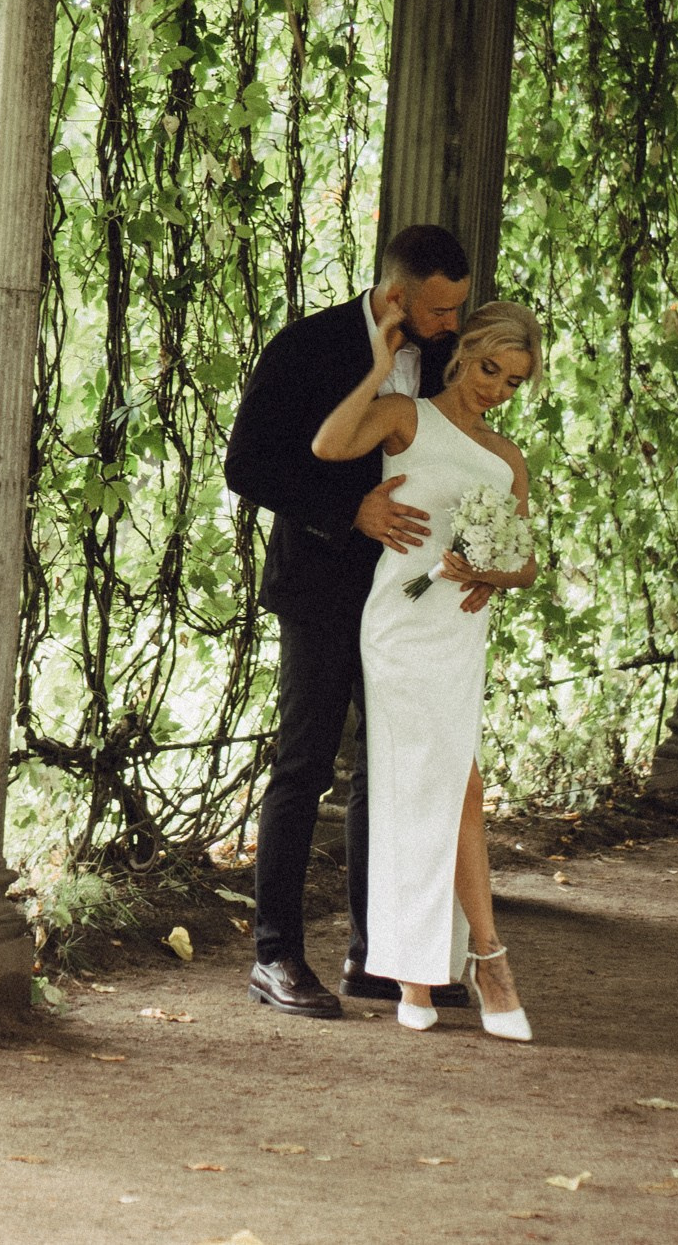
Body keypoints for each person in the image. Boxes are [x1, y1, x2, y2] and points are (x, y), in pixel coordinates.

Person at [222, 225, 480, 1018]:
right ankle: (275, 955)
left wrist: (479, 553)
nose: (452, 325)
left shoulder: (445, 355)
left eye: (458, 309)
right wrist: (349, 510)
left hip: (410, 595)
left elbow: (462, 454)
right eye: (440, 310)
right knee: (303, 764)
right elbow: (247, 463)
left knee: (392, 769)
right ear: (396, 295)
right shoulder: (306, 345)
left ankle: (379, 954)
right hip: (321, 586)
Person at [310, 299, 542, 1041]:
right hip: (400, 626)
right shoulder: (404, 416)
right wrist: (378, 368)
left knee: (450, 787)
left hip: (458, 629)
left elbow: (526, 563)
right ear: (464, 351)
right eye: (489, 368)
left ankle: (427, 969)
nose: (495, 389)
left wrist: (488, 573)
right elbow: (328, 444)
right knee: (437, 786)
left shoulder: (506, 457)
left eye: (513, 381)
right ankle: (485, 963)